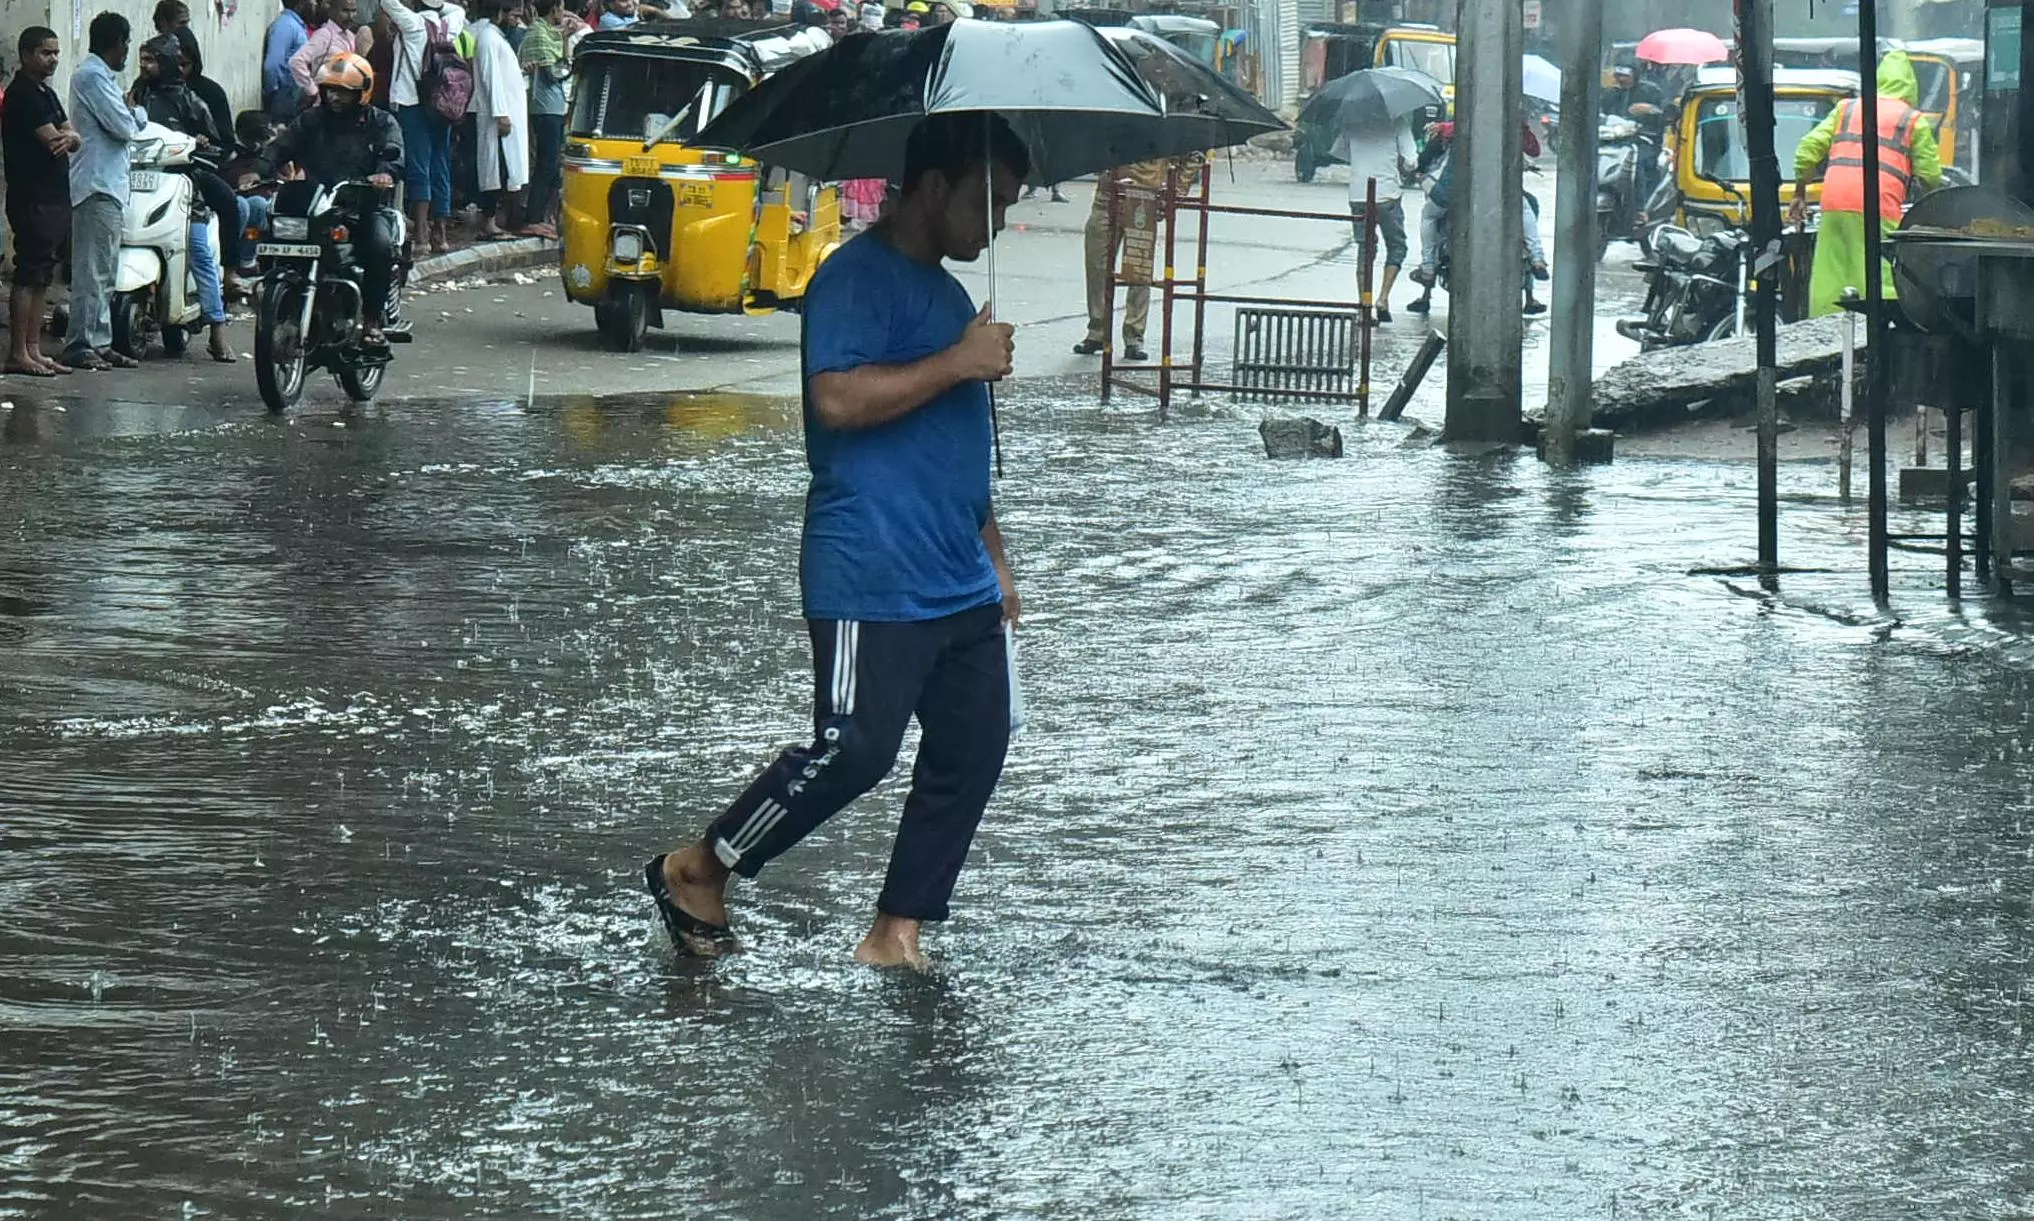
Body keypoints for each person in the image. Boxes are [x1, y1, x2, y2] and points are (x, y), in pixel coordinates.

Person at [646, 113, 1027, 970]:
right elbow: (838, 403)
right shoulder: (851, 280)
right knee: (853, 748)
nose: (996, 223)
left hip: (958, 572)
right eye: (989, 200)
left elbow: (959, 445)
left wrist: (996, 554)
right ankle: (701, 865)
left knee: (975, 743)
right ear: (935, 187)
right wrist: (958, 362)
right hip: (872, 571)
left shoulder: (952, 297)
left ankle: (897, 931)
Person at [254, 53, 406, 342]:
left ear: (361, 93)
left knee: (379, 244)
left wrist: (384, 174)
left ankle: (372, 321)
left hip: (363, 205)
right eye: (330, 90)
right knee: (271, 233)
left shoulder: (381, 122)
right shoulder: (311, 120)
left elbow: (394, 153)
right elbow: (281, 147)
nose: (335, 98)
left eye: (343, 92)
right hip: (315, 203)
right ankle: (284, 299)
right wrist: (258, 170)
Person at [1792, 49, 1940, 318]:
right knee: (1881, 271)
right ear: (1910, 87)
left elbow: (1807, 148)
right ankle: (1879, 332)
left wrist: (1799, 192)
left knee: (1832, 271)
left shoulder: (1846, 109)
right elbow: (1929, 174)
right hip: (1878, 204)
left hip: (1834, 202)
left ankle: (1826, 335)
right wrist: (1936, 207)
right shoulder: (1911, 119)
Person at [134, 32, 236, 362]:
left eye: (151, 60)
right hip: (136, 181)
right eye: (143, 60)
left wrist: (202, 146)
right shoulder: (136, 94)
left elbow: (218, 146)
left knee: (200, 250)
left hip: (182, 187)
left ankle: (217, 329)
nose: (145, 66)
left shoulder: (191, 101)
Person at [63, 11, 147, 372]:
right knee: (92, 270)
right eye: (126, 42)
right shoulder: (91, 76)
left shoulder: (104, 78)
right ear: (117, 42)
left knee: (106, 270)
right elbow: (125, 125)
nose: (127, 50)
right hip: (96, 184)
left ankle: (100, 339)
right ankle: (80, 342)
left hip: (110, 184)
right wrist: (137, 112)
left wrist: (131, 111)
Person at [3, 26, 79, 376]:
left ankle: (34, 348)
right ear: (26, 54)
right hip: (31, 196)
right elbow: (54, 139)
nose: (54, 60)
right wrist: (66, 137)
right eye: (46, 53)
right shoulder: (22, 95)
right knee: (29, 271)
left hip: (53, 195)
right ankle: (18, 351)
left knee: (43, 273)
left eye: (56, 53)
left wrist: (70, 137)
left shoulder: (45, 93)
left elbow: (71, 134)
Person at [382, 0, 466, 253]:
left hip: (413, 104)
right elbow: (457, 8)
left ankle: (421, 234)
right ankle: (440, 233)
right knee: (441, 165)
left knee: (419, 166)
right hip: (443, 104)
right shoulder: (451, 24)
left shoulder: (414, 24)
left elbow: (387, 3)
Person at [1073, 160, 1163, 361]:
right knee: (1096, 264)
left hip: (1143, 195)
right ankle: (1097, 330)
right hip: (1108, 192)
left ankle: (1134, 336)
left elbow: (1193, 156)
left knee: (1138, 270)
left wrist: (1174, 193)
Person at [1337, 112, 1415, 323]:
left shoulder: (1351, 121)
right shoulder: (1398, 122)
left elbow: (1342, 152)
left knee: (1365, 248)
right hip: (1387, 194)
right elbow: (1411, 161)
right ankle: (1382, 298)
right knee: (1397, 246)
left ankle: (1364, 306)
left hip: (1358, 195)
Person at [465, 0, 527, 239]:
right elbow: (491, 80)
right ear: (500, 13)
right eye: (513, 15)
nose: (516, 20)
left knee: (505, 170)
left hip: (507, 115)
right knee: (497, 170)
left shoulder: (496, 38)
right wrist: (500, 114)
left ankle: (493, 220)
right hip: (498, 117)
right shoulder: (488, 39)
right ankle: (488, 222)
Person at [518, 0, 574, 237]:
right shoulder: (539, 34)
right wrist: (565, 42)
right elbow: (556, 73)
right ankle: (533, 217)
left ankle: (543, 215)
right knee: (546, 163)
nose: (563, 12)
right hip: (545, 107)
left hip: (556, 106)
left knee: (552, 163)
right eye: (561, 7)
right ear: (553, 9)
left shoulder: (548, 33)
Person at [1601, 63, 1666, 207]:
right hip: (1615, 140)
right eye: (1618, 75)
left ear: (1634, 76)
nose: (1621, 79)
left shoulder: (1651, 91)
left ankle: (1640, 208)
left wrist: (1650, 109)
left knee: (1636, 164)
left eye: (1625, 76)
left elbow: (1665, 114)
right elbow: (1602, 115)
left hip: (1644, 140)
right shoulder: (1610, 94)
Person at [290, 0, 361, 102]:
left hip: (344, 101)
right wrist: (313, 91)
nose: (350, 16)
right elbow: (296, 62)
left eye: (354, 11)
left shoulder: (350, 36)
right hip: (325, 101)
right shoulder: (324, 35)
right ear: (332, 11)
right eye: (345, 11)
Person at [263, 0, 317, 117]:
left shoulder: (296, 26)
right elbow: (272, 65)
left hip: (294, 96)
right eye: (311, 1)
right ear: (300, 4)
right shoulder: (285, 25)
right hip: (285, 97)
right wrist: (273, 93)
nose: (315, 4)